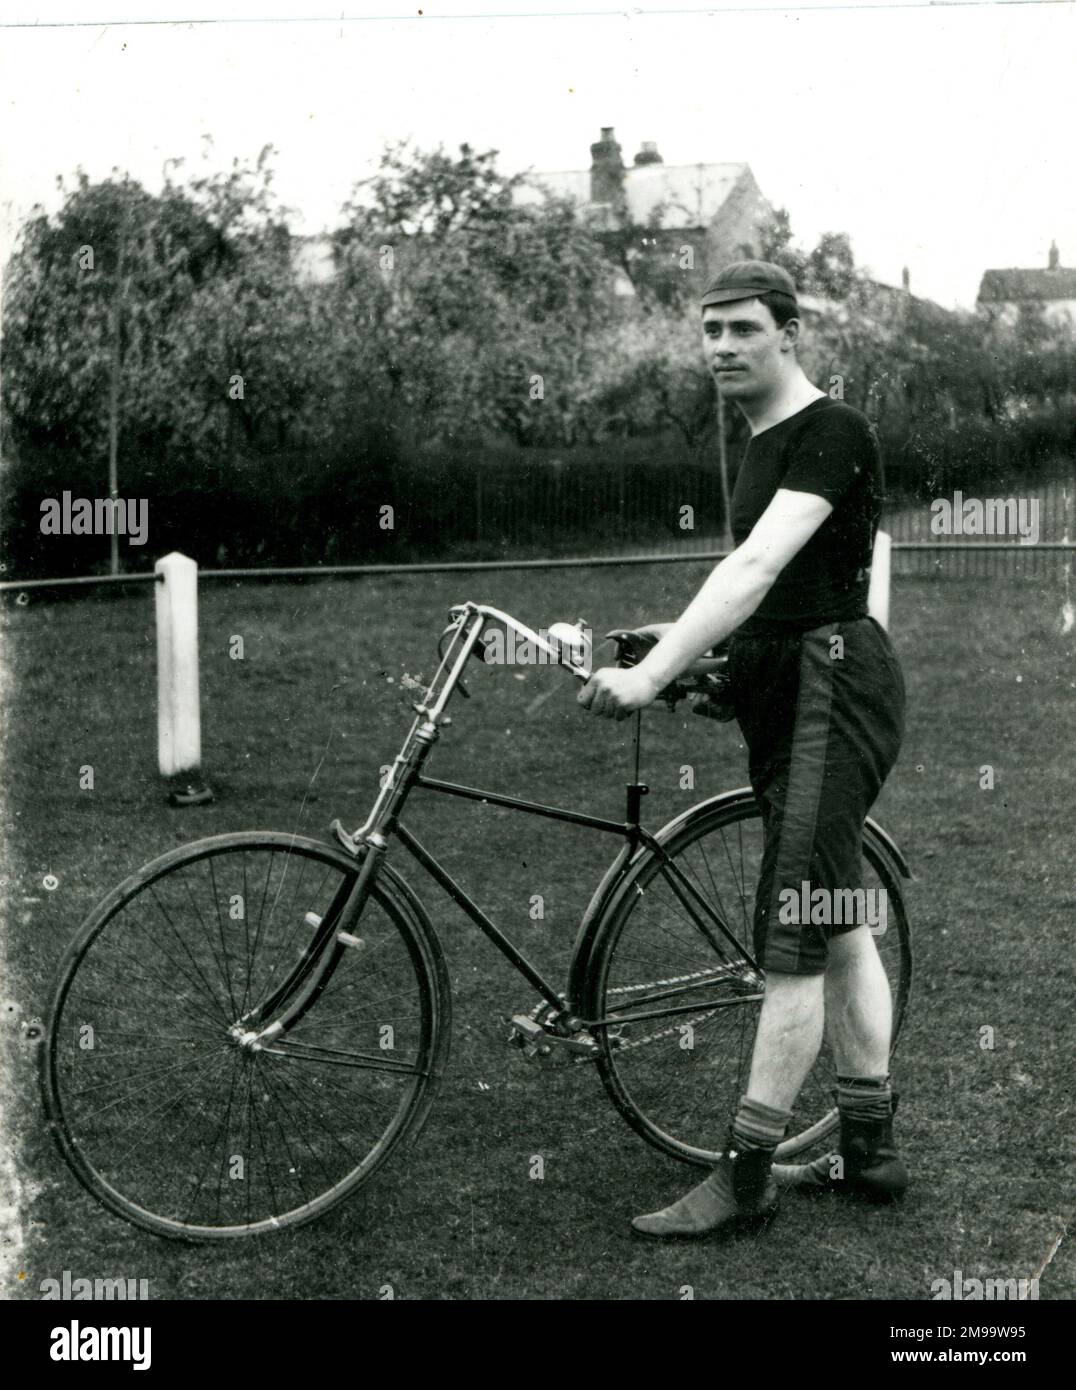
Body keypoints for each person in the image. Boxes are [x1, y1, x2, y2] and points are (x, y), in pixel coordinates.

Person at [577, 260, 908, 1239]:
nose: (720, 346)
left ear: (787, 332)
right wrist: (700, 658)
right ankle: (869, 1150)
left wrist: (650, 673)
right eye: (708, 330)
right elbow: (823, 571)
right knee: (838, 917)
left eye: (741, 328)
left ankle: (748, 1172)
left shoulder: (829, 429)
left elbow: (758, 565)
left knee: (792, 945)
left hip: (824, 700)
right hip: (795, 693)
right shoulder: (762, 442)